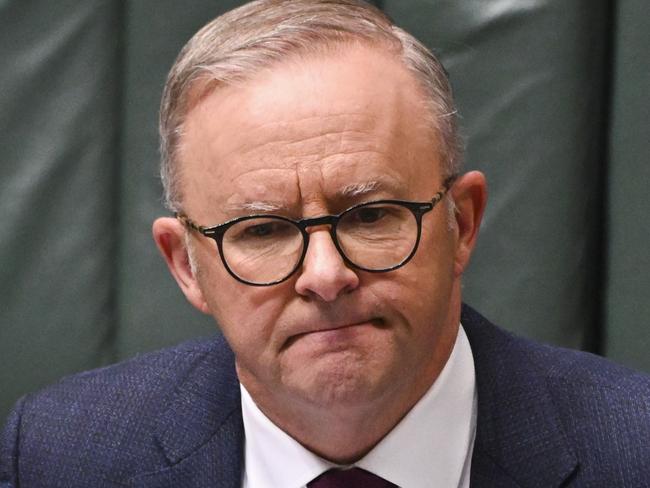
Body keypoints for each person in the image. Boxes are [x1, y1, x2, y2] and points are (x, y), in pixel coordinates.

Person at [2, 0, 649, 486]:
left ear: (462, 222)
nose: (324, 274)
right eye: (262, 230)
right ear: (186, 265)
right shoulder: (59, 458)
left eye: (370, 216)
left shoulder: (633, 452)